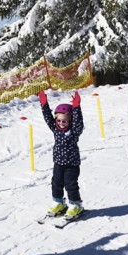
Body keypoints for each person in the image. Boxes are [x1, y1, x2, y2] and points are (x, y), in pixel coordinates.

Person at [38, 90, 84, 220]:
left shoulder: (74, 131)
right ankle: (58, 202)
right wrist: (43, 103)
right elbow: (48, 117)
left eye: (64, 121)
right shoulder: (55, 129)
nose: (61, 123)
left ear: (70, 121)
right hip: (58, 162)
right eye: (58, 121)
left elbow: (78, 122)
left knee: (70, 184)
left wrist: (76, 106)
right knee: (56, 182)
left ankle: (76, 205)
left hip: (72, 164)